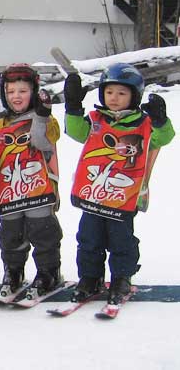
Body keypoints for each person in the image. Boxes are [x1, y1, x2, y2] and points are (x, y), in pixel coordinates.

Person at [64, 63, 174, 304]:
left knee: (121, 240)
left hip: (124, 197)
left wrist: (160, 120)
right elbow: (74, 132)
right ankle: (89, 278)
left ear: (134, 96)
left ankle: (121, 278)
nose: (114, 98)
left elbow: (164, 137)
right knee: (89, 239)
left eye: (122, 93)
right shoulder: (95, 121)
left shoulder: (143, 124)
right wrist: (72, 107)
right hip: (93, 194)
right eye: (109, 92)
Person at [0, 64, 64, 300]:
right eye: (10, 92)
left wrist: (41, 115)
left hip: (38, 189)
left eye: (22, 91)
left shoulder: (48, 121)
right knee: (10, 235)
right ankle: (13, 272)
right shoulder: (0, 126)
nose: (16, 97)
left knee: (43, 233)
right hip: (9, 192)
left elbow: (41, 142)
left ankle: (48, 272)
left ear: (34, 92)